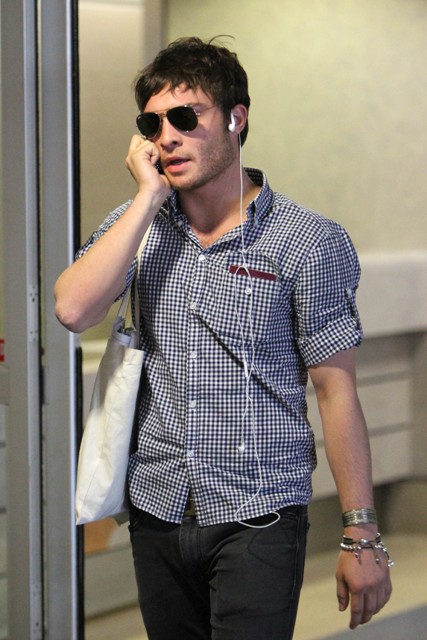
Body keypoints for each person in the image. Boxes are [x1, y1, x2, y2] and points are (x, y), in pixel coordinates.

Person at [55, 36, 392, 640]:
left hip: (258, 515)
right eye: (152, 124)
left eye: (186, 118)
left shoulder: (307, 241)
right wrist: (147, 196)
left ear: (237, 119)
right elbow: (73, 309)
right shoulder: (139, 227)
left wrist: (360, 532)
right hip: (157, 507)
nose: (167, 137)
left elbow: (335, 390)